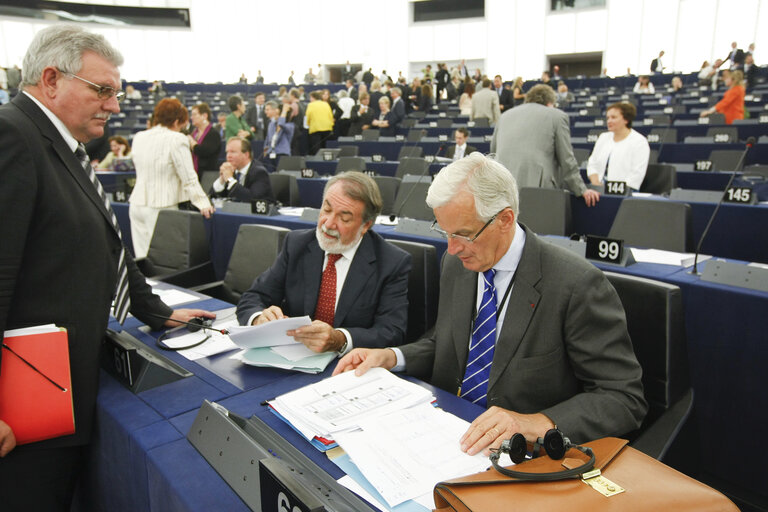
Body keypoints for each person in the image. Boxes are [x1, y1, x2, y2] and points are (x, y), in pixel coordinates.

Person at [0, 25, 215, 511]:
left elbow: (104, 244)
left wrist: (155, 311)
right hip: (26, 400)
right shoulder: (12, 135)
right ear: (51, 79)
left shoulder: (63, 148)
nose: (114, 106)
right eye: (103, 90)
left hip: (62, 387)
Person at [334, 153, 647, 451]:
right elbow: (449, 342)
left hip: (521, 454)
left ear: (505, 219)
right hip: (445, 431)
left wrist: (537, 423)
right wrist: (392, 357)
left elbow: (623, 398)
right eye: (444, 232)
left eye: (464, 235)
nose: (452, 248)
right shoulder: (457, 264)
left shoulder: (576, 284)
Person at [236, 171, 411, 353]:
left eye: (344, 218)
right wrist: (259, 318)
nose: (328, 224)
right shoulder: (297, 244)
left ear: (366, 225)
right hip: (293, 357)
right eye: (326, 210)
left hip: (349, 366)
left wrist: (341, 339)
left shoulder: (392, 263)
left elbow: (392, 331)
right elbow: (253, 297)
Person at [129, 98, 214, 258]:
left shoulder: (139, 136)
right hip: (162, 206)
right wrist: (202, 202)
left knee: (142, 259)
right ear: (176, 121)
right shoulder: (177, 139)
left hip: (136, 205)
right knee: (163, 259)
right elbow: (188, 176)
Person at [491, 84, 600, 207]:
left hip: (502, 189)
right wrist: (581, 189)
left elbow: (493, 151)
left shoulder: (504, 116)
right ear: (549, 103)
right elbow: (567, 159)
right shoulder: (557, 116)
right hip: (539, 192)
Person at [586, 102, 650, 191]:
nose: (609, 121)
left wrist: (614, 190)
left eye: (613, 117)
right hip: (597, 189)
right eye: (608, 118)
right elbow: (592, 164)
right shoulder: (603, 137)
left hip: (625, 192)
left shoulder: (639, 142)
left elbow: (636, 174)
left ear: (626, 120)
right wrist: (596, 183)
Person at [210, 136, 273, 203]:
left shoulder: (259, 173)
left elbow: (252, 198)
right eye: (227, 152)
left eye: (233, 152)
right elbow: (211, 197)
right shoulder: (231, 170)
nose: (228, 156)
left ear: (246, 155)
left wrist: (230, 180)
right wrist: (222, 179)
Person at [187, 102, 221, 174]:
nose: (191, 117)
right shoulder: (194, 133)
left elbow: (203, 151)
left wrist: (191, 142)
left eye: (194, 114)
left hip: (207, 175)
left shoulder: (213, 134)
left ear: (204, 116)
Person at [263, 99, 295, 169]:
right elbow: (267, 139)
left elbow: (281, 123)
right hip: (270, 154)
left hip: (282, 154)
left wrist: (284, 111)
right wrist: (265, 151)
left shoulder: (290, 126)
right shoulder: (271, 124)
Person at [306, 90, 334, 155]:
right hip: (327, 128)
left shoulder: (311, 105)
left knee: (316, 149)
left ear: (313, 97)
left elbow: (308, 117)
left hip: (316, 128)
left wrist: (308, 124)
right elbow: (330, 116)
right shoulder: (326, 104)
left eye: (310, 98)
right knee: (325, 148)